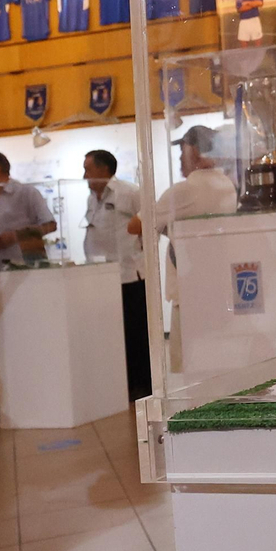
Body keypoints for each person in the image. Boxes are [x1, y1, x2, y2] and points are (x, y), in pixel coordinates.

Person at [127, 126, 238, 372]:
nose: (179, 157)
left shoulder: (185, 190)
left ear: (194, 152)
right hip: (221, 287)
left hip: (190, 290)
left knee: (184, 366)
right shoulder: (227, 185)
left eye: (182, 151)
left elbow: (135, 225)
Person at [82, 149, 151, 400]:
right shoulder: (92, 198)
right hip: (101, 278)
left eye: (88, 169)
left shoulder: (129, 192)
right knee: (114, 335)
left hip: (130, 275)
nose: (84, 175)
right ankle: (122, 384)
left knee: (136, 335)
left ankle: (143, 385)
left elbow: (149, 224)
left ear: (104, 169)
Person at [0, 152, 58, 369]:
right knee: (1, 342)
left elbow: (50, 224)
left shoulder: (26, 193)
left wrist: (16, 235)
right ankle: (7, 398)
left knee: (28, 336)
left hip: (27, 276)